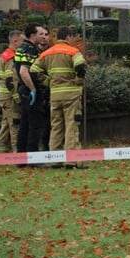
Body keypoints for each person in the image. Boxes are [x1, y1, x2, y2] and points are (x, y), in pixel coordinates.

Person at [30, 26, 88, 169]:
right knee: (71, 126)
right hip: (71, 95)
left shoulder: (47, 53)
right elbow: (81, 67)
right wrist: (79, 82)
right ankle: (72, 161)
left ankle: (55, 160)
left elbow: (33, 71)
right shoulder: (73, 51)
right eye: (72, 37)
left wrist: (48, 82)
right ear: (68, 37)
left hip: (55, 95)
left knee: (56, 127)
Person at [14, 22, 50, 165]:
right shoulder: (30, 49)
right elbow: (24, 71)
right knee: (35, 125)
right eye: (39, 33)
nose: (42, 36)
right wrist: (33, 89)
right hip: (30, 90)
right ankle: (34, 158)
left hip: (23, 90)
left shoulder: (21, 48)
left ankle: (21, 158)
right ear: (33, 35)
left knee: (24, 124)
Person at [0, 30, 24, 153]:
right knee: (15, 123)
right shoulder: (12, 57)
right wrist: (17, 97)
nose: (24, 44)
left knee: (6, 124)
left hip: (4, 96)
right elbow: (10, 80)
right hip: (10, 97)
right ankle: (18, 154)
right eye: (22, 41)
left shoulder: (4, 55)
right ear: (15, 42)